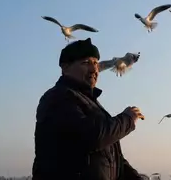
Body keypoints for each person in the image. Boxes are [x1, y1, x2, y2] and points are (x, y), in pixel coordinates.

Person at [32, 38, 144, 180]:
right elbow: (91, 136)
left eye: (96, 63)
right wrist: (127, 119)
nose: (94, 69)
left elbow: (114, 160)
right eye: (85, 63)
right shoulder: (57, 98)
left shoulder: (92, 104)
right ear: (65, 67)